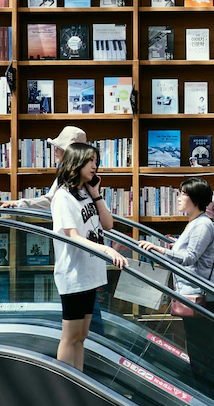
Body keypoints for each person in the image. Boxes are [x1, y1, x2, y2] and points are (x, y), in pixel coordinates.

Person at [138, 177, 214, 399]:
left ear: (194, 198)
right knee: (198, 353)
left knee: (202, 354)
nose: (178, 198)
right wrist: (172, 245)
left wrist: (160, 250)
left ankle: (210, 399)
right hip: (193, 297)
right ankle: (206, 397)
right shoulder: (195, 223)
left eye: (182, 194)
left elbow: (189, 257)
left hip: (203, 299)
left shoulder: (203, 224)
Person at [51, 143, 128, 371]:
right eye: (90, 160)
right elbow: (72, 236)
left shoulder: (85, 191)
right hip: (74, 273)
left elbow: (108, 224)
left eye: (96, 160)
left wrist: (96, 194)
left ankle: (78, 382)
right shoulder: (63, 196)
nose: (95, 165)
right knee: (71, 335)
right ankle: (65, 389)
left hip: (90, 273)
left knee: (82, 335)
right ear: (77, 162)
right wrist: (106, 250)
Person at [2, 126, 87, 208]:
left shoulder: (85, 177)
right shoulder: (65, 175)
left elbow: (49, 200)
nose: (55, 150)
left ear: (71, 153)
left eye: (59, 147)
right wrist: (18, 204)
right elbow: (49, 200)